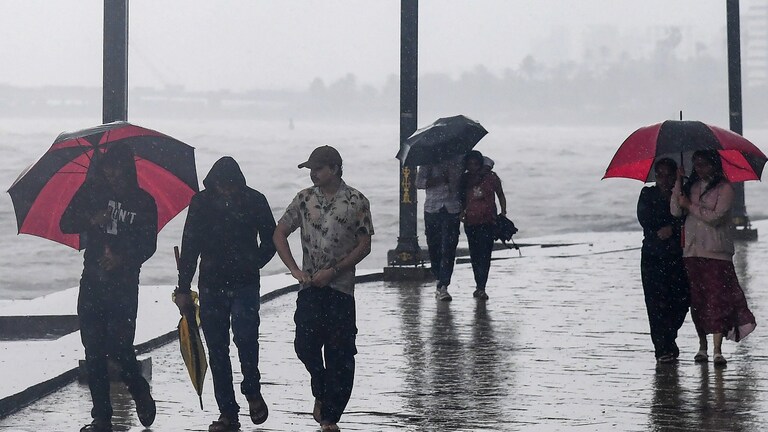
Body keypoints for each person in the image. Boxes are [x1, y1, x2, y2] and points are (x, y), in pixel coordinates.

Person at [273, 145, 374, 432]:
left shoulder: (357, 201)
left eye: (317, 168)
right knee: (304, 344)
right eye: (310, 169)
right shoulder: (304, 199)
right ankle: (319, 383)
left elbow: (364, 245)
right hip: (310, 288)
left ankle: (330, 416)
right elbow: (279, 233)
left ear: (335, 168)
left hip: (341, 289)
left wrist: (335, 270)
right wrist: (295, 269)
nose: (313, 174)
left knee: (340, 354)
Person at [60, 145, 158, 432]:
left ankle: (137, 387)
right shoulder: (92, 192)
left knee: (118, 347)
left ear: (128, 170)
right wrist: (92, 219)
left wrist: (122, 259)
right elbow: (66, 222)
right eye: (107, 170)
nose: (112, 176)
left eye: (117, 170)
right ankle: (101, 416)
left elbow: (148, 245)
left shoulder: (143, 201)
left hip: (125, 285)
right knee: (93, 350)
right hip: (92, 281)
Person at [175, 156, 276, 432]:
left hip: (245, 284)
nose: (226, 191)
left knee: (246, 339)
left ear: (239, 184)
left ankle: (252, 390)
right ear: (213, 183)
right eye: (221, 186)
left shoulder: (255, 200)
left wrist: (253, 262)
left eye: (231, 187)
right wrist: (183, 288)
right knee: (217, 349)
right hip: (211, 285)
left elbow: (272, 240)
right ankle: (228, 412)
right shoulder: (201, 203)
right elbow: (190, 246)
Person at [671, 149, 756, 366]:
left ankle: (717, 349)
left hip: (717, 253)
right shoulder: (691, 187)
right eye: (696, 164)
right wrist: (679, 182)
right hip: (691, 251)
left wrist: (690, 206)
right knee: (698, 301)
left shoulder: (725, 188)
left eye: (704, 164)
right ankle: (702, 346)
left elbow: (716, 217)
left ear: (714, 165)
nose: (700, 169)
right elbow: (675, 211)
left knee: (717, 300)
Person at [637, 158, 689, 363]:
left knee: (682, 299)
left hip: (678, 255)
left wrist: (674, 228)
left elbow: (689, 218)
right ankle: (662, 348)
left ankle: (669, 337)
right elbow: (644, 218)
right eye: (660, 174)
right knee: (656, 303)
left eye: (669, 174)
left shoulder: (682, 193)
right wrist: (661, 229)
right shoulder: (648, 194)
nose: (664, 179)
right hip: (653, 255)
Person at [459, 151, 507, 300]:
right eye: (470, 164)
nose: (472, 166)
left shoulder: (491, 177)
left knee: (485, 255)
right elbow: (460, 198)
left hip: (488, 221)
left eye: (475, 163)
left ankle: (481, 287)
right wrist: (461, 213)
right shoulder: (465, 179)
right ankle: (478, 284)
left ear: (480, 163)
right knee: (475, 255)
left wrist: (503, 212)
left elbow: (500, 194)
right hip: (471, 222)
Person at [416, 154, 464, 301]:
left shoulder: (459, 159)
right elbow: (418, 183)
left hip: (452, 208)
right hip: (433, 208)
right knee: (434, 246)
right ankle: (438, 277)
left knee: (449, 247)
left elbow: (475, 168)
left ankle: (443, 284)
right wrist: (438, 179)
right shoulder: (427, 162)